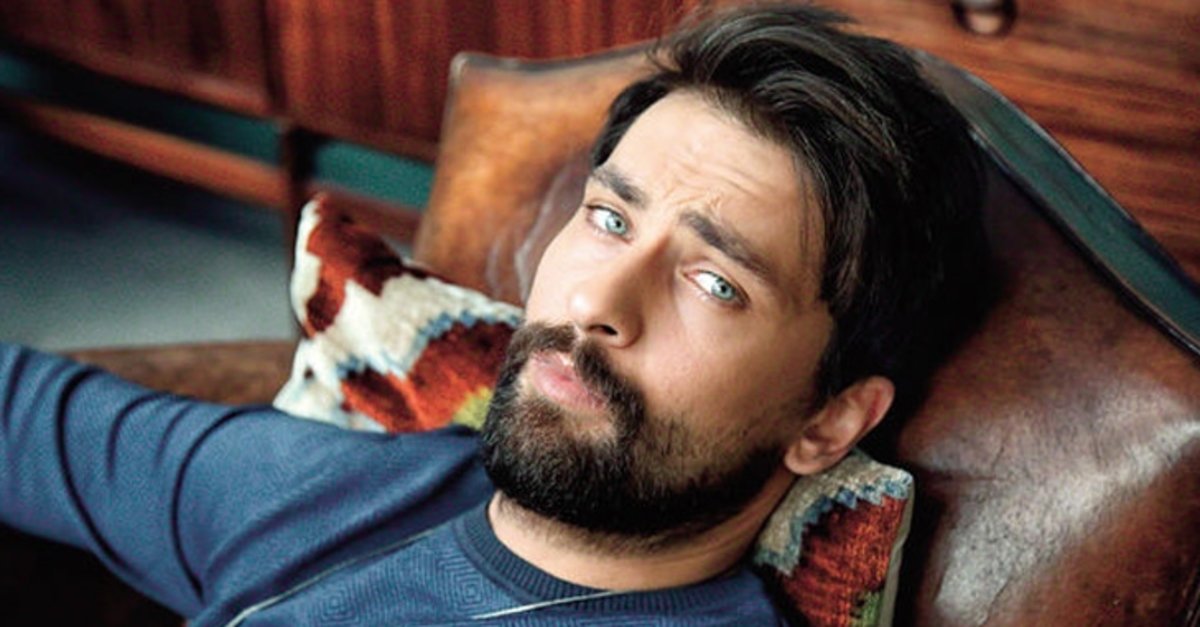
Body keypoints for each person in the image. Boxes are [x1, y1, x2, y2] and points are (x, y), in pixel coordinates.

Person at [0, 4, 989, 625]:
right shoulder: (338, 488)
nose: (595, 301)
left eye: (715, 283)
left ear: (829, 421)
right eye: (609, 219)